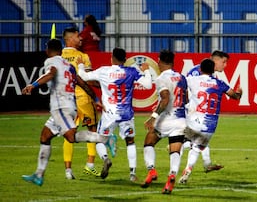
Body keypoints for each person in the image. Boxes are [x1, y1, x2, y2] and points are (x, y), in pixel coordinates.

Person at [21, 39, 108, 186]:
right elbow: (82, 83)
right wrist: (95, 98)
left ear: (48, 50)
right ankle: (39, 174)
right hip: (67, 107)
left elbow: (51, 73)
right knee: (45, 136)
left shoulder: (50, 61)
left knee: (71, 137)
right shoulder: (69, 66)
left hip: (61, 107)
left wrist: (33, 85)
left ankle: (105, 139)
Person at [77, 48, 152, 181]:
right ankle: (132, 173)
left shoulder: (104, 71)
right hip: (126, 114)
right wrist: (146, 69)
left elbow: (83, 76)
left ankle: (105, 158)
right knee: (130, 142)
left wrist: (81, 65)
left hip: (109, 114)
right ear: (124, 60)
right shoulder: (131, 71)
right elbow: (147, 85)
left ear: (111, 58)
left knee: (99, 139)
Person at [178, 58, 242, 184]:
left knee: (179, 137)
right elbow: (235, 96)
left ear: (200, 69)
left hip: (194, 119)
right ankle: (187, 171)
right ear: (213, 70)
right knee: (197, 148)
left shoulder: (192, 80)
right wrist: (240, 92)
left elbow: (179, 84)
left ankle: (177, 159)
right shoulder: (220, 83)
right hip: (210, 125)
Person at [140, 50, 187, 194]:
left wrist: (153, 117)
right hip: (180, 120)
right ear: (172, 62)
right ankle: (171, 176)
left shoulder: (161, 78)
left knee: (149, 142)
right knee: (175, 151)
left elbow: (165, 99)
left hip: (166, 119)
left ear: (159, 61)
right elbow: (187, 99)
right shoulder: (181, 77)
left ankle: (151, 170)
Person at [62, 27, 104, 179]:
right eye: (77, 36)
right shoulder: (82, 57)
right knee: (92, 130)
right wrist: (103, 86)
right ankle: (90, 165)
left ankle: (68, 170)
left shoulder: (58, 57)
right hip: (83, 99)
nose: (81, 39)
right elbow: (88, 79)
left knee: (68, 133)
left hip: (65, 100)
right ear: (70, 38)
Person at [182, 50, 230, 173]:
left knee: (200, 138)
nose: (225, 65)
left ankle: (207, 163)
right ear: (215, 60)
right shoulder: (196, 73)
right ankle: (180, 148)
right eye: (223, 62)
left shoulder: (209, 75)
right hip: (193, 111)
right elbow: (185, 89)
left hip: (198, 112)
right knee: (197, 138)